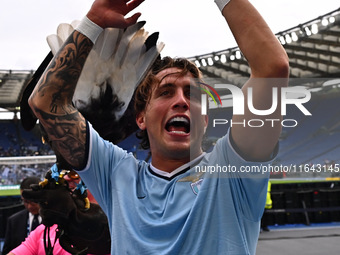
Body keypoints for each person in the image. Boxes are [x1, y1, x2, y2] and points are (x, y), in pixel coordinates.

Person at [28, 0, 289, 254]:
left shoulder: (233, 173)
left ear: (205, 119)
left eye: (192, 95)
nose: (181, 102)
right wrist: (93, 23)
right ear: (140, 117)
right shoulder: (116, 174)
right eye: (166, 92)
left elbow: (272, 68)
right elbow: (44, 103)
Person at [2, 177, 42, 255]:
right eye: (25, 201)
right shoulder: (14, 221)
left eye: (33, 201)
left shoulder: (55, 220)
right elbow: (7, 251)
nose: (30, 206)